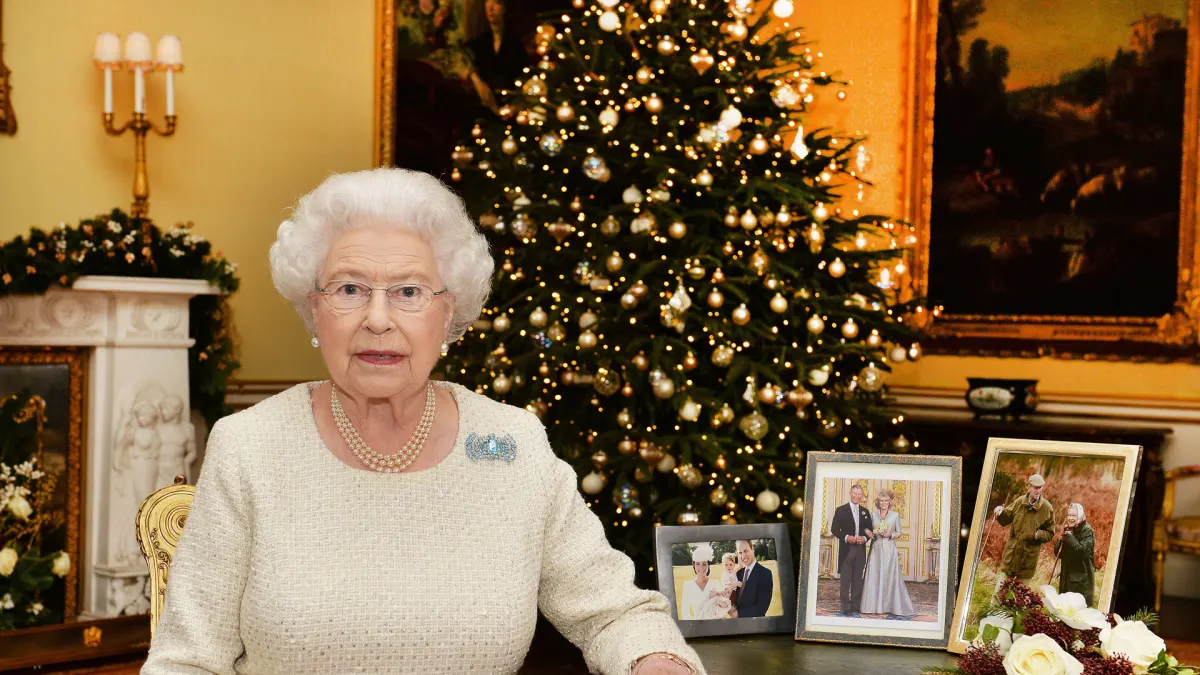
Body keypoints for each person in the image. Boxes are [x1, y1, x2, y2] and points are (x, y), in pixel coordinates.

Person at [142, 169, 702, 675]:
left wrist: (655, 662)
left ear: (448, 311)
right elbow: (187, 661)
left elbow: (615, 613)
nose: (378, 319)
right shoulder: (250, 446)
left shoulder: (511, 445)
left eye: (408, 292)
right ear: (314, 309)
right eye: (349, 290)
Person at [993, 473, 1055, 599]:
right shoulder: (1019, 502)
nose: (1038, 490)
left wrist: (1038, 534)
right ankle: (992, 618)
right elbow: (1006, 519)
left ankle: (1013, 618)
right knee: (998, 593)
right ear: (1028, 487)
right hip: (1011, 556)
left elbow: (1050, 532)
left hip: (1027, 560)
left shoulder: (1047, 508)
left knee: (1020, 598)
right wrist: (1000, 512)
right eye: (1035, 487)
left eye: (1040, 487)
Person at [465, 0, 531, 111]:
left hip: (509, 107)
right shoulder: (477, 43)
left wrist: (515, 106)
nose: (490, 8)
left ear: (504, 8)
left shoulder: (517, 43)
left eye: (496, 2)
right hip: (482, 107)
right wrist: (476, 80)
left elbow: (523, 79)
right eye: (487, 2)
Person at [860, 489, 915, 618]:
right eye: (881, 501)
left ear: (889, 502)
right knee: (875, 575)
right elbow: (866, 528)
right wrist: (868, 531)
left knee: (889, 576)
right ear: (878, 502)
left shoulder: (895, 515)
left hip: (889, 550)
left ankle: (889, 605)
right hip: (876, 549)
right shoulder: (873, 515)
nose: (884, 503)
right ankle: (872, 606)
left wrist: (890, 534)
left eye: (886, 501)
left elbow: (899, 532)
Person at [830, 484, 873, 616]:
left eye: (859, 494)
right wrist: (847, 537)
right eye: (855, 493)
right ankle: (846, 606)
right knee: (846, 579)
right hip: (846, 549)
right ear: (850, 493)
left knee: (857, 579)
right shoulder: (841, 510)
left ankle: (855, 605)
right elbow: (835, 529)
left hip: (860, 549)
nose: (857, 496)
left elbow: (869, 530)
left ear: (862, 496)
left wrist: (864, 539)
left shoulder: (865, 511)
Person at [1055, 502, 1096, 607]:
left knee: (1076, 612)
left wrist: (1069, 537)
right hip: (1067, 578)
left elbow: (1081, 552)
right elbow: (1058, 553)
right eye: (1069, 515)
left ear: (1080, 516)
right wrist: (1063, 537)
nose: (1070, 518)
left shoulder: (1087, 531)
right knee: (1064, 609)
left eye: (1074, 515)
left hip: (1081, 582)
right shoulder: (1070, 529)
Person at [679, 544, 723, 621]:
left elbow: (721, 609)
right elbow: (685, 613)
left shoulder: (715, 583)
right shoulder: (688, 585)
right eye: (698, 564)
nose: (701, 568)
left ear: (708, 566)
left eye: (704, 564)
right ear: (694, 565)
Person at [734, 539, 773, 618]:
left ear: (752, 548)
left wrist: (737, 614)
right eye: (740, 552)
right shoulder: (738, 573)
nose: (743, 556)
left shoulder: (765, 573)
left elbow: (761, 608)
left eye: (745, 551)